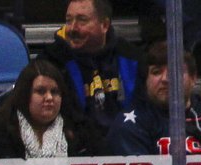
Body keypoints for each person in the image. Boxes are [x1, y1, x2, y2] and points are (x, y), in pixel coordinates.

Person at [106, 41, 201, 156]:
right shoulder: (130, 125)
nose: (165, 79)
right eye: (156, 72)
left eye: (175, 71)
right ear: (146, 80)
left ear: (193, 78)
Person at [37, 0, 143, 135]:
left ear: (104, 25)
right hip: (74, 149)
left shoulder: (131, 57)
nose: (73, 28)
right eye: (69, 21)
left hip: (129, 144)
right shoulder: (51, 61)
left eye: (82, 20)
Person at [0, 60, 105, 159]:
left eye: (54, 92)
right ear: (25, 94)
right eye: (41, 91)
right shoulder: (0, 131)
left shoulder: (80, 129)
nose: (49, 98)